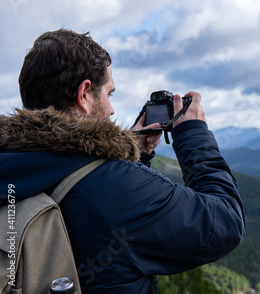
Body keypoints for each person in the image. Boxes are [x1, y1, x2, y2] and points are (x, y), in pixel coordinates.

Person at [0, 29, 245, 293]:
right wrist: (193, 134)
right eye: (109, 93)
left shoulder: (11, 164)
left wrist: (136, 153)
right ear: (84, 95)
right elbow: (225, 222)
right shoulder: (116, 188)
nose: (112, 109)